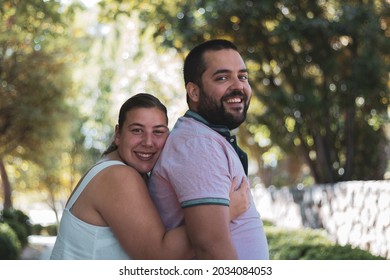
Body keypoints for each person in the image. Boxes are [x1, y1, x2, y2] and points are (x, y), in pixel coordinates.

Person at [50, 93, 249, 260]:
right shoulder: (118, 176)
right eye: (137, 130)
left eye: (158, 132)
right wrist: (224, 214)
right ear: (118, 134)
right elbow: (157, 257)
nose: (148, 142)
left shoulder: (119, 171)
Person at [148, 40, 270, 259]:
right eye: (222, 78)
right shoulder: (198, 144)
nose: (238, 86)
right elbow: (209, 245)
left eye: (242, 77)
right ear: (193, 92)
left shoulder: (206, 138)